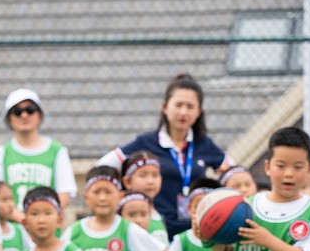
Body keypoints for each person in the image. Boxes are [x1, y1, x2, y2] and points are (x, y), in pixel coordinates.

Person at [98, 74, 232, 238]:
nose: (183, 112)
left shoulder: (204, 145)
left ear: (199, 112)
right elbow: (102, 168)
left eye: (190, 107)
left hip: (195, 233)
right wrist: (126, 196)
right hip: (156, 231)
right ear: (165, 107)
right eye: (178, 105)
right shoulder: (146, 143)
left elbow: (234, 173)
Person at [0, 88, 76, 214]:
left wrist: (40, 220)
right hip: (13, 230)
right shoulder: (0, 153)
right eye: (17, 112)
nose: (24, 115)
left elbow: (64, 195)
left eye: (30, 110)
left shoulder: (57, 151)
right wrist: (20, 220)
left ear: (40, 116)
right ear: (9, 119)